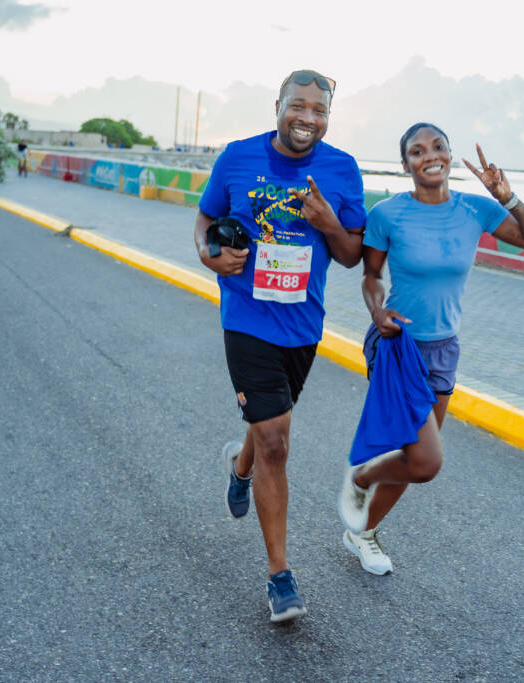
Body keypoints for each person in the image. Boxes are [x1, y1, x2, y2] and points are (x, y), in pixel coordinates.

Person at [337, 123, 524, 575]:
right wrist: (377, 311)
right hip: (398, 344)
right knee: (425, 461)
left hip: (444, 348)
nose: (429, 156)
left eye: (438, 147)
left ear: (451, 156)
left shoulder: (475, 209)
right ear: (405, 165)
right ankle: (362, 477)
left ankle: (363, 532)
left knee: (414, 460)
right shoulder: (388, 214)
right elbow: (371, 275)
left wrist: (506, 196)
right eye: (417, 151)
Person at [193, 69, 366, 622]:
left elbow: (351, 255)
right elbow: (205, 219)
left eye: (319, 110)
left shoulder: (342, 169)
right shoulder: (237, 157)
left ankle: (239, 467)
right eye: (299, 106)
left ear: (328, 116)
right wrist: (208, 255)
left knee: (269, 426)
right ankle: (279, 577)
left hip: (302, 327)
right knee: (275, 440)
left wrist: (329, 223)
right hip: (246, 318)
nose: (308, 118)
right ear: (278, 106)